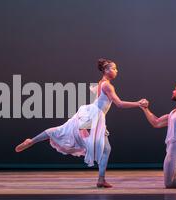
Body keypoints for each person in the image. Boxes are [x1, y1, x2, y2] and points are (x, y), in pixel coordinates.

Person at [15, 58, 148, 188]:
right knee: (99, 146)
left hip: (92, 115)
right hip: (93, 116)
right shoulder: (107, 85)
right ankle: (101, 179)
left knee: (70, 133)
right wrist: (138, 104)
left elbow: (101, 100)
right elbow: (119, 104)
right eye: (114, 68)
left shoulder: (102, 82)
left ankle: (31, 141)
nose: (116, 71)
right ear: (106, 70)